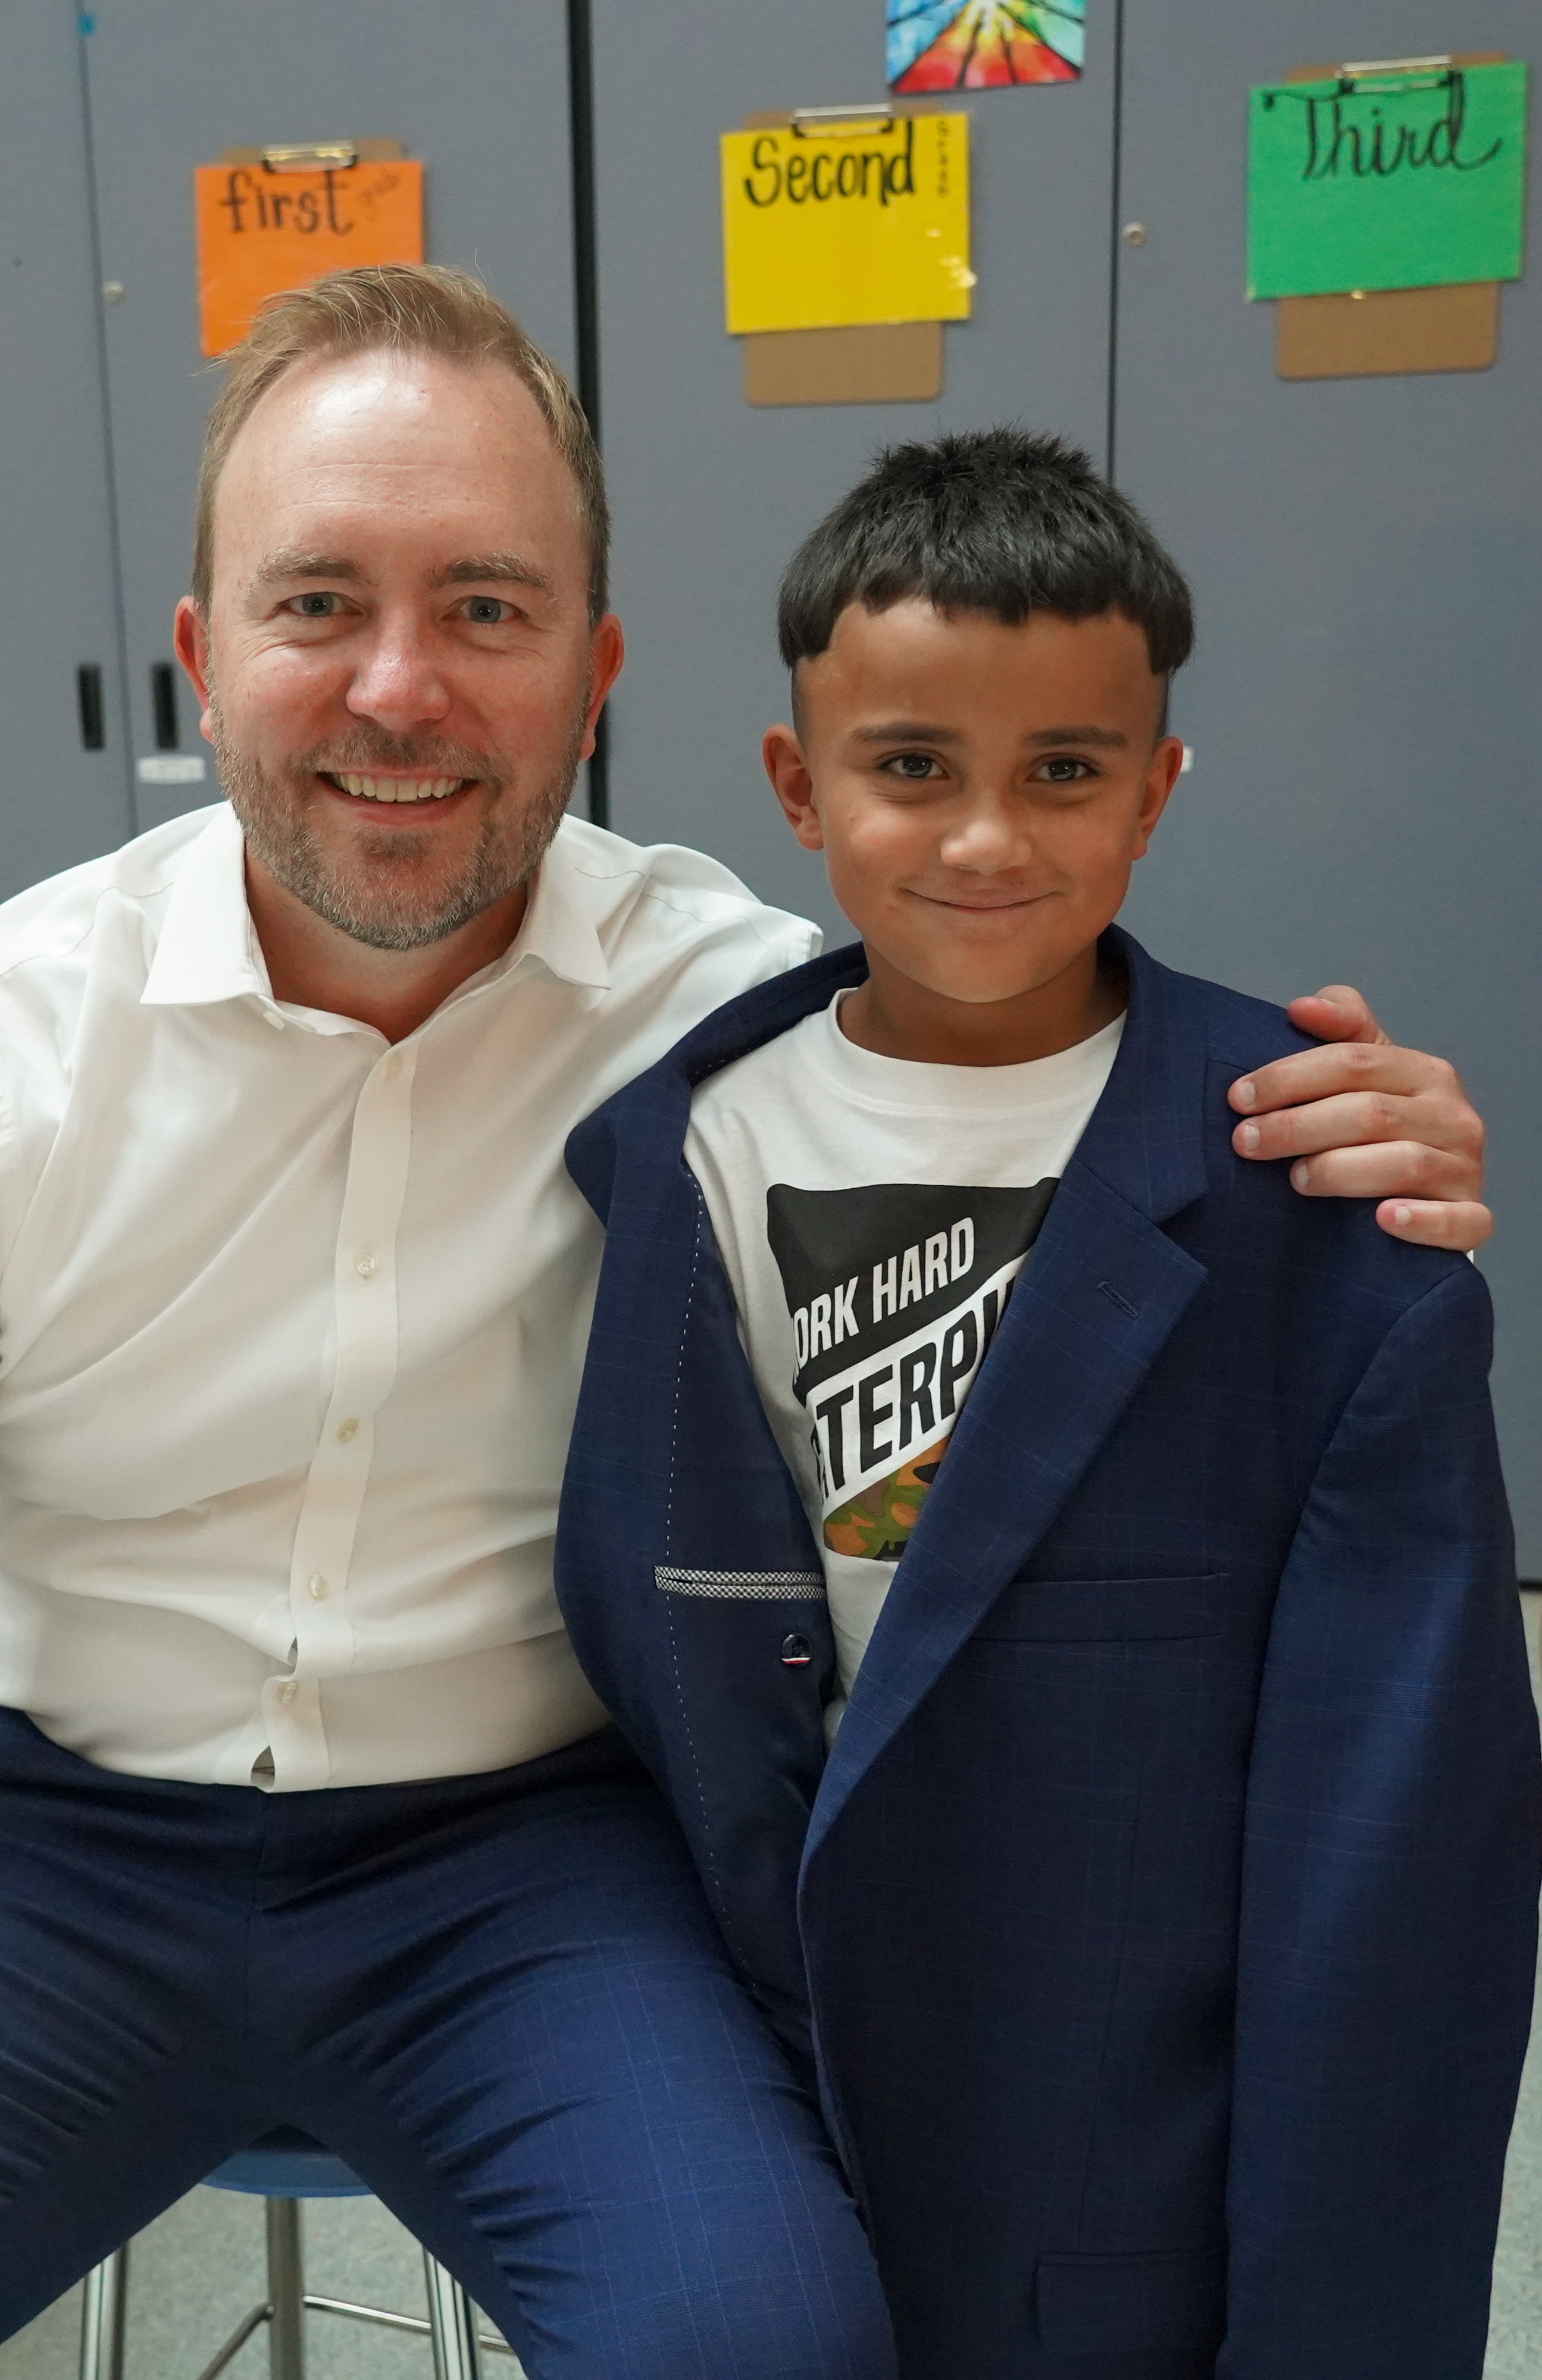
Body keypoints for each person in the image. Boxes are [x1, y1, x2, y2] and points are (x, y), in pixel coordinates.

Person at [0, 275, 1493, 2380]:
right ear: (201, 656)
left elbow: (1022, 998)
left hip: (530, 1872)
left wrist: (1317, 1110)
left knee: (773, 2355)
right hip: (56, 1850)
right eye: (317, 604)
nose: (398, 689)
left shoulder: (736, 1020)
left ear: (597, 675)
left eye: (487, 609)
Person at [553, 429, 1540, 2380]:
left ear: (1159, 792)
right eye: (912, 765)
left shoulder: (1318, 1191)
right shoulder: (684, 1150)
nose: (987, 838)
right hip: (776, 2067)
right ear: (796, 786)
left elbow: (1399, 1858)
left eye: (1065, 773)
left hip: (1121, 2132)